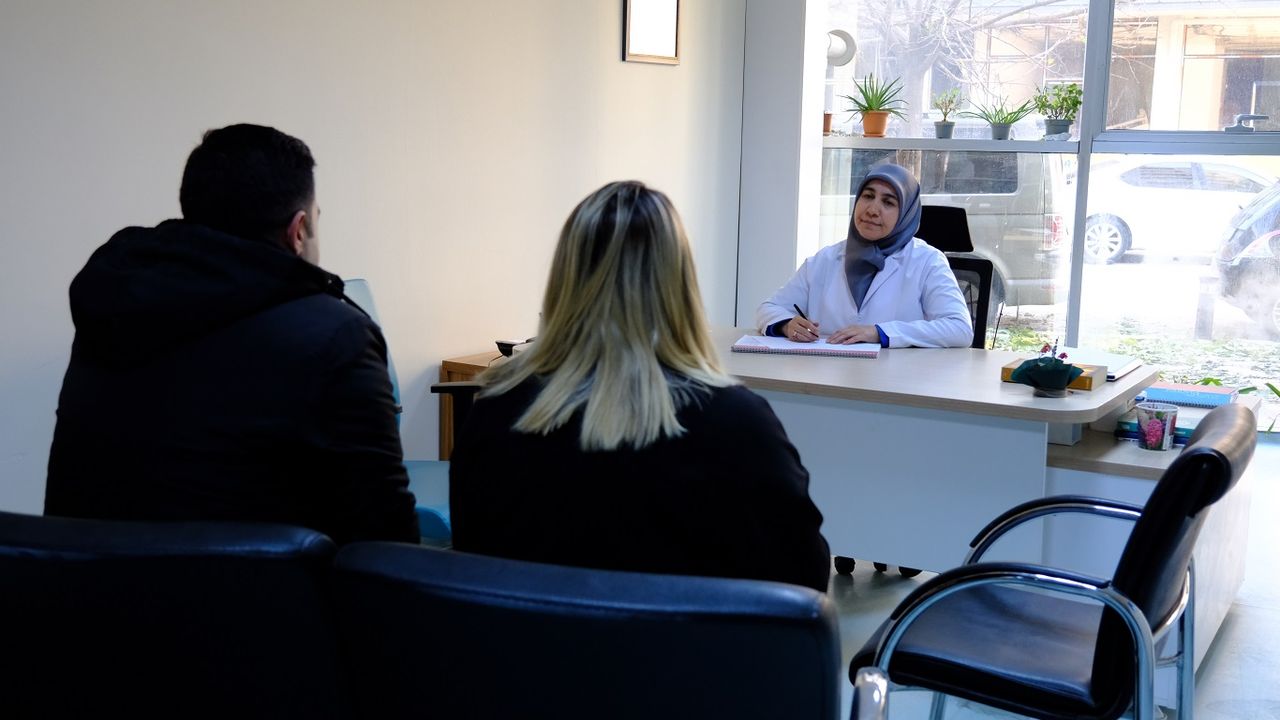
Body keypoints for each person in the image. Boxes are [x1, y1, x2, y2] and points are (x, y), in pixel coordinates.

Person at [45, 123, 419, 545]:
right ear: (298, 230)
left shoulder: (115, 302)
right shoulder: (336, 336)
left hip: (81, 582)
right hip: (256, 587)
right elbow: (386, 539)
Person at [449, 181, 831, 593]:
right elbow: (803, 579)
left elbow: (474, 558)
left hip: (529, 635)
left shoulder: (498, 409)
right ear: (679, 287)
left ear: (565, 279)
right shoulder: (739, 425)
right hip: (688, 636)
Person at [757, 163, 973, 348]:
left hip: (898, 378)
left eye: (888, 202)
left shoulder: (927, 261)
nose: (872, 210)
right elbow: (769, 308)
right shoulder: (825, 259)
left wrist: (880, 332)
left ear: (906, 213)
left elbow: (959, 328)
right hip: (826, 376)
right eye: (868, 196)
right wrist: (786, 324)